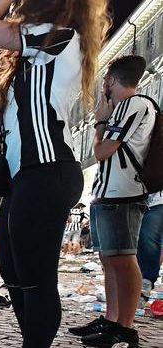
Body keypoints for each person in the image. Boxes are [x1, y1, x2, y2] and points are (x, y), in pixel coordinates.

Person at [0, 0, 110, 345]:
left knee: (35, 277)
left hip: (47, 171)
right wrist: (3, 107)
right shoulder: (40, 55)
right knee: (13, 274)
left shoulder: (61, 37)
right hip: (25, 175)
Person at [69, 55, 154, 347]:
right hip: (108, 192)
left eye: (105, 79)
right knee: (109, 259)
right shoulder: (126, 107)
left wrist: (101, 122)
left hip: (124, 193)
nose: (103, 84)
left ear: (111, 81)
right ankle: (112, 319)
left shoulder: (134, 105)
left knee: (123, 258)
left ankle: (125, 326)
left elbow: (102, 150)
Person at [137, 191, 163, 305]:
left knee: (149, 238)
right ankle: (138, 283)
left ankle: (146, 281)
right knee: (135, 242)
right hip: (135, 199)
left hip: (158, 201)